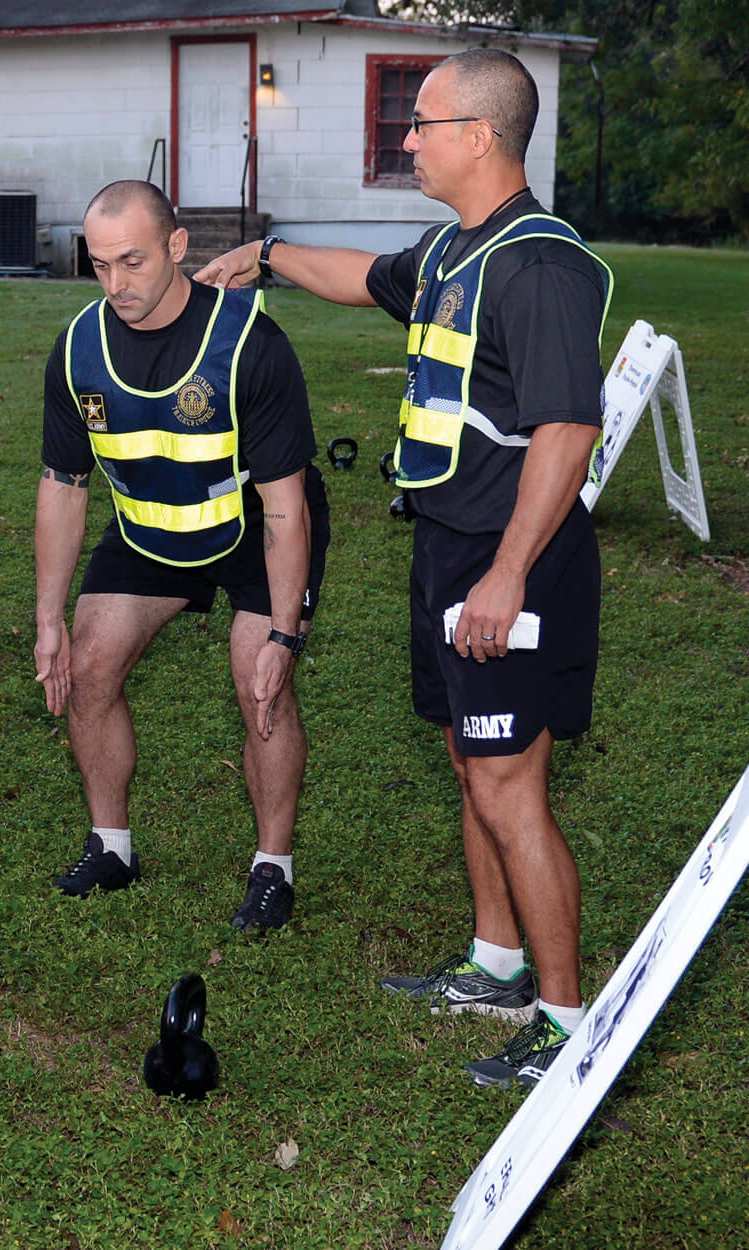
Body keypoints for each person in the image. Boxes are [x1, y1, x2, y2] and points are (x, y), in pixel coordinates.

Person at [195, 49, 612, 1085]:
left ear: (479, 135)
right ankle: (495, 963)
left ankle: (566, 1028)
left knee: (510, 782)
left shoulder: (539, 263)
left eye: (421, 123)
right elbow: (361, 280)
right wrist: (268, 255)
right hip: (446, 546)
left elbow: (567, 431)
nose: (406, 137)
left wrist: (507, 574)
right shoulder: (452, 251)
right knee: (470, 761)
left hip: (511, 559)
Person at [34, 180, 329, 930]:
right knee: (90, 666)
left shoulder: (249, 342)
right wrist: (48, 618)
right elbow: (64, 487)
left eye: (131, 261)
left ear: (175, 247)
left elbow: (288, 507)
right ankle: (112, 848)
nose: (115, 284)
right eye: (98, 265)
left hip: (254, 524)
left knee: (258, 681)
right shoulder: (77, 350)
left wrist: (285, 635)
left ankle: (272, 867)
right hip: (149, 527)